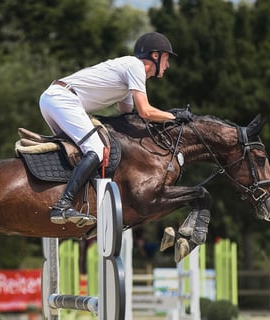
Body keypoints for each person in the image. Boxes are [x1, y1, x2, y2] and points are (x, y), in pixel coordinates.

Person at [39, 32, 193, 226]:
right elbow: (145, 111)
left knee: (78, 153)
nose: (167, 65)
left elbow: (127, 116)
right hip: (63, 99)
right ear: (155, 56)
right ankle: (62, 205)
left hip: (55, 99)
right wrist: (174, 116)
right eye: (166, 58)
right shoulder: (135, 67)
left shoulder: (130, 75)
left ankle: (77, 201)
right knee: (95, 149)